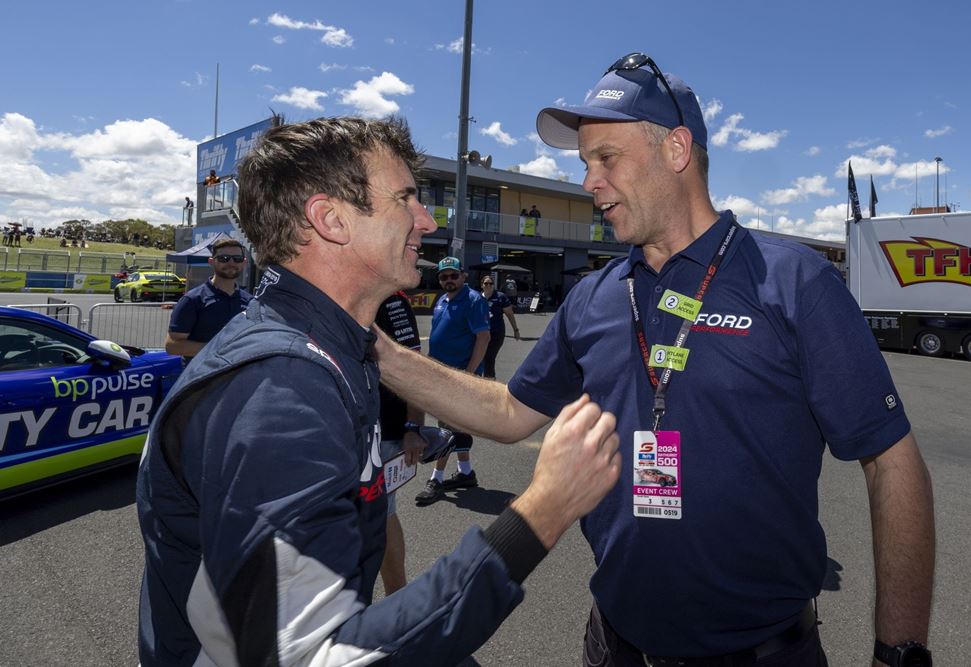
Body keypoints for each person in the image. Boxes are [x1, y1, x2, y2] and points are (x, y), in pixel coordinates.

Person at [376, 54, 935, 666]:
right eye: (585, 163)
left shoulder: (794, 281)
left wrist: (898, 651)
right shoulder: (593, 297)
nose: (590, 182)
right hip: (613, 644)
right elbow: (511, 411)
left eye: (606, 158)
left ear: (676, 149)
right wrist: (378, 352)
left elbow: (890, 461)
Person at [136, 115, 621, 667]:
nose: (426, 218)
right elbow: (320, 655)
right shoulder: (281, 389)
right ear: (331, 219)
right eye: (406, 199)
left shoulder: (333, 345)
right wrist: (544, 509)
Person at [413, 257, 490, 506]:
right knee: (456, 427)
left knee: (446, 428)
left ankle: (436, 479)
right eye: (444, 276)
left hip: (457, 376)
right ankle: (466, 473)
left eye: (453, 275)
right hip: (440, 374)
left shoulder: (473, 300)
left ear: (463, 276)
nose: (449, 280)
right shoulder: (442, 300)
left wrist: (468, 372)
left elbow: (483, 337)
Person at [374, 290, 427, 595]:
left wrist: (413, 426)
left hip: (386, 429)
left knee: (381, 513)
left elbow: (414, 365)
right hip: (348, 425)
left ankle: (398, 596)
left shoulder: (391, 300)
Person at [164, 238, 251, 361]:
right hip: (201, 377)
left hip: (239, 377)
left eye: (237, 259)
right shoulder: (192, 300)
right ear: (211, 261)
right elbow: (172, 346)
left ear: (244, 262)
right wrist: (219, 348)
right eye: (224, 258)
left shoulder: (250, 302)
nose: (231, 263)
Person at [479, 274, 520, 379]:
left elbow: (509, 314)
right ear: (482, 285)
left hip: (496, 333)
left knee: (489, 356)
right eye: (486, 283)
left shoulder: (500, 297)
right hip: (481, 333)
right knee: (480, 357)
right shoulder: (477, 298)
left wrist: (515, 329)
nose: (488, 285)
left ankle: (490, 382)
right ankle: (482, 380)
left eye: (490, 283)